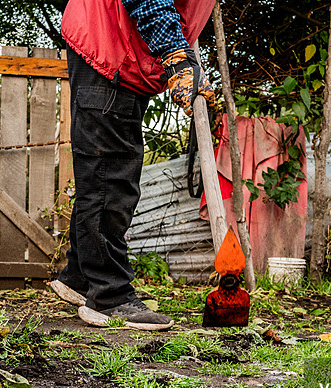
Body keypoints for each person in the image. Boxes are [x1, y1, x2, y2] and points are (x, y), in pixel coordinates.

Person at [49, 0, 218, 331]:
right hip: (111, 48)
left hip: (118, 51)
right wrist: (177, 56)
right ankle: (110, 297)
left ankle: (81, 278)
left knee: (103, 175)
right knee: (109, 180)